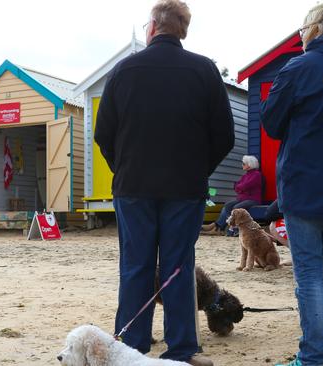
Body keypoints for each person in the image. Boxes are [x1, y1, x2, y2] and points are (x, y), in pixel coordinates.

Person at [94, 1, 234, 365]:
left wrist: (122, 167)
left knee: (136, 266)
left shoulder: (124, 71)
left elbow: (103, 133)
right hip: (185, 187)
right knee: (177, 267)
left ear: (152, 27)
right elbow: (225, 136)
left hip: (134, 186)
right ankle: (183, 349)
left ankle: (132, 347)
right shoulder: (204, 71)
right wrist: (198, 170)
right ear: (182, 30)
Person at [261, 3, 323, 365]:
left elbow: (271, 122)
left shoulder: (300, 67)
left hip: (305, 185)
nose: (301, 35)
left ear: (317, 27)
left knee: (309, 274)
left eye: (302, 29)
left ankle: (315, 356)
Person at [201, 155, 263, 235]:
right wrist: (240, 187)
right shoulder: (245, 175)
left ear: (250, 164)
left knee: (236, 207)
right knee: (227, 205)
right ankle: (217, 227)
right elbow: (236, 186)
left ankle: (228, 228)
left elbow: (244, 186)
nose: (242, 165)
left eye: (244, 163)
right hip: (243, 199)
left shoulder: (256, 175)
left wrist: (240, 187)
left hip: (252, 200)